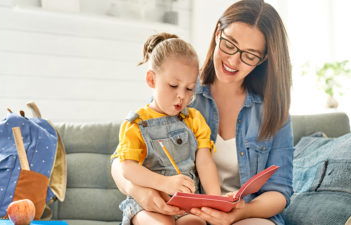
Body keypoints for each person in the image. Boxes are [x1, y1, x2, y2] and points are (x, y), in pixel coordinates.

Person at [111, 0, 294, 224]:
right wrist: (139, 191)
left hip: (246, 212)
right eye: (230, 44)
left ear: (263, 59)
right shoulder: (184, 90)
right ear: (218, 32)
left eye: (250, 55)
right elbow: (121, 163)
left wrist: (238, 212)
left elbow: (280, 190)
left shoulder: (273, 110)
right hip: (187, 209)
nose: (233, 61)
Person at [110, 32, 221, 225]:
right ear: (152, 80)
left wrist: (215, 200)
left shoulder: (194, 119)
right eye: (173, 85)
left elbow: (204, 162)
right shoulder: (135, 124)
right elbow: (127, 168)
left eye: (189, 89)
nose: (181, 96)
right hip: (147, 204)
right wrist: (165, 183)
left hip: (186, 206)